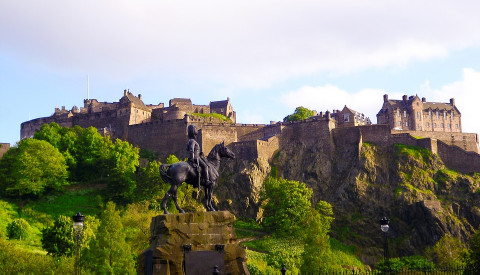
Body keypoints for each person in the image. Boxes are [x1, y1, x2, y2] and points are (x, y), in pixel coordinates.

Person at [186, 124, 211, 189]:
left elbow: (188, 149)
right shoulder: (193, 141)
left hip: (196, 156)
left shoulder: (189, 141)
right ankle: (207, 181)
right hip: (196, 158)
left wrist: (200, 153)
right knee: (205, 166)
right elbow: (191, 149)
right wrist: (192, 158)